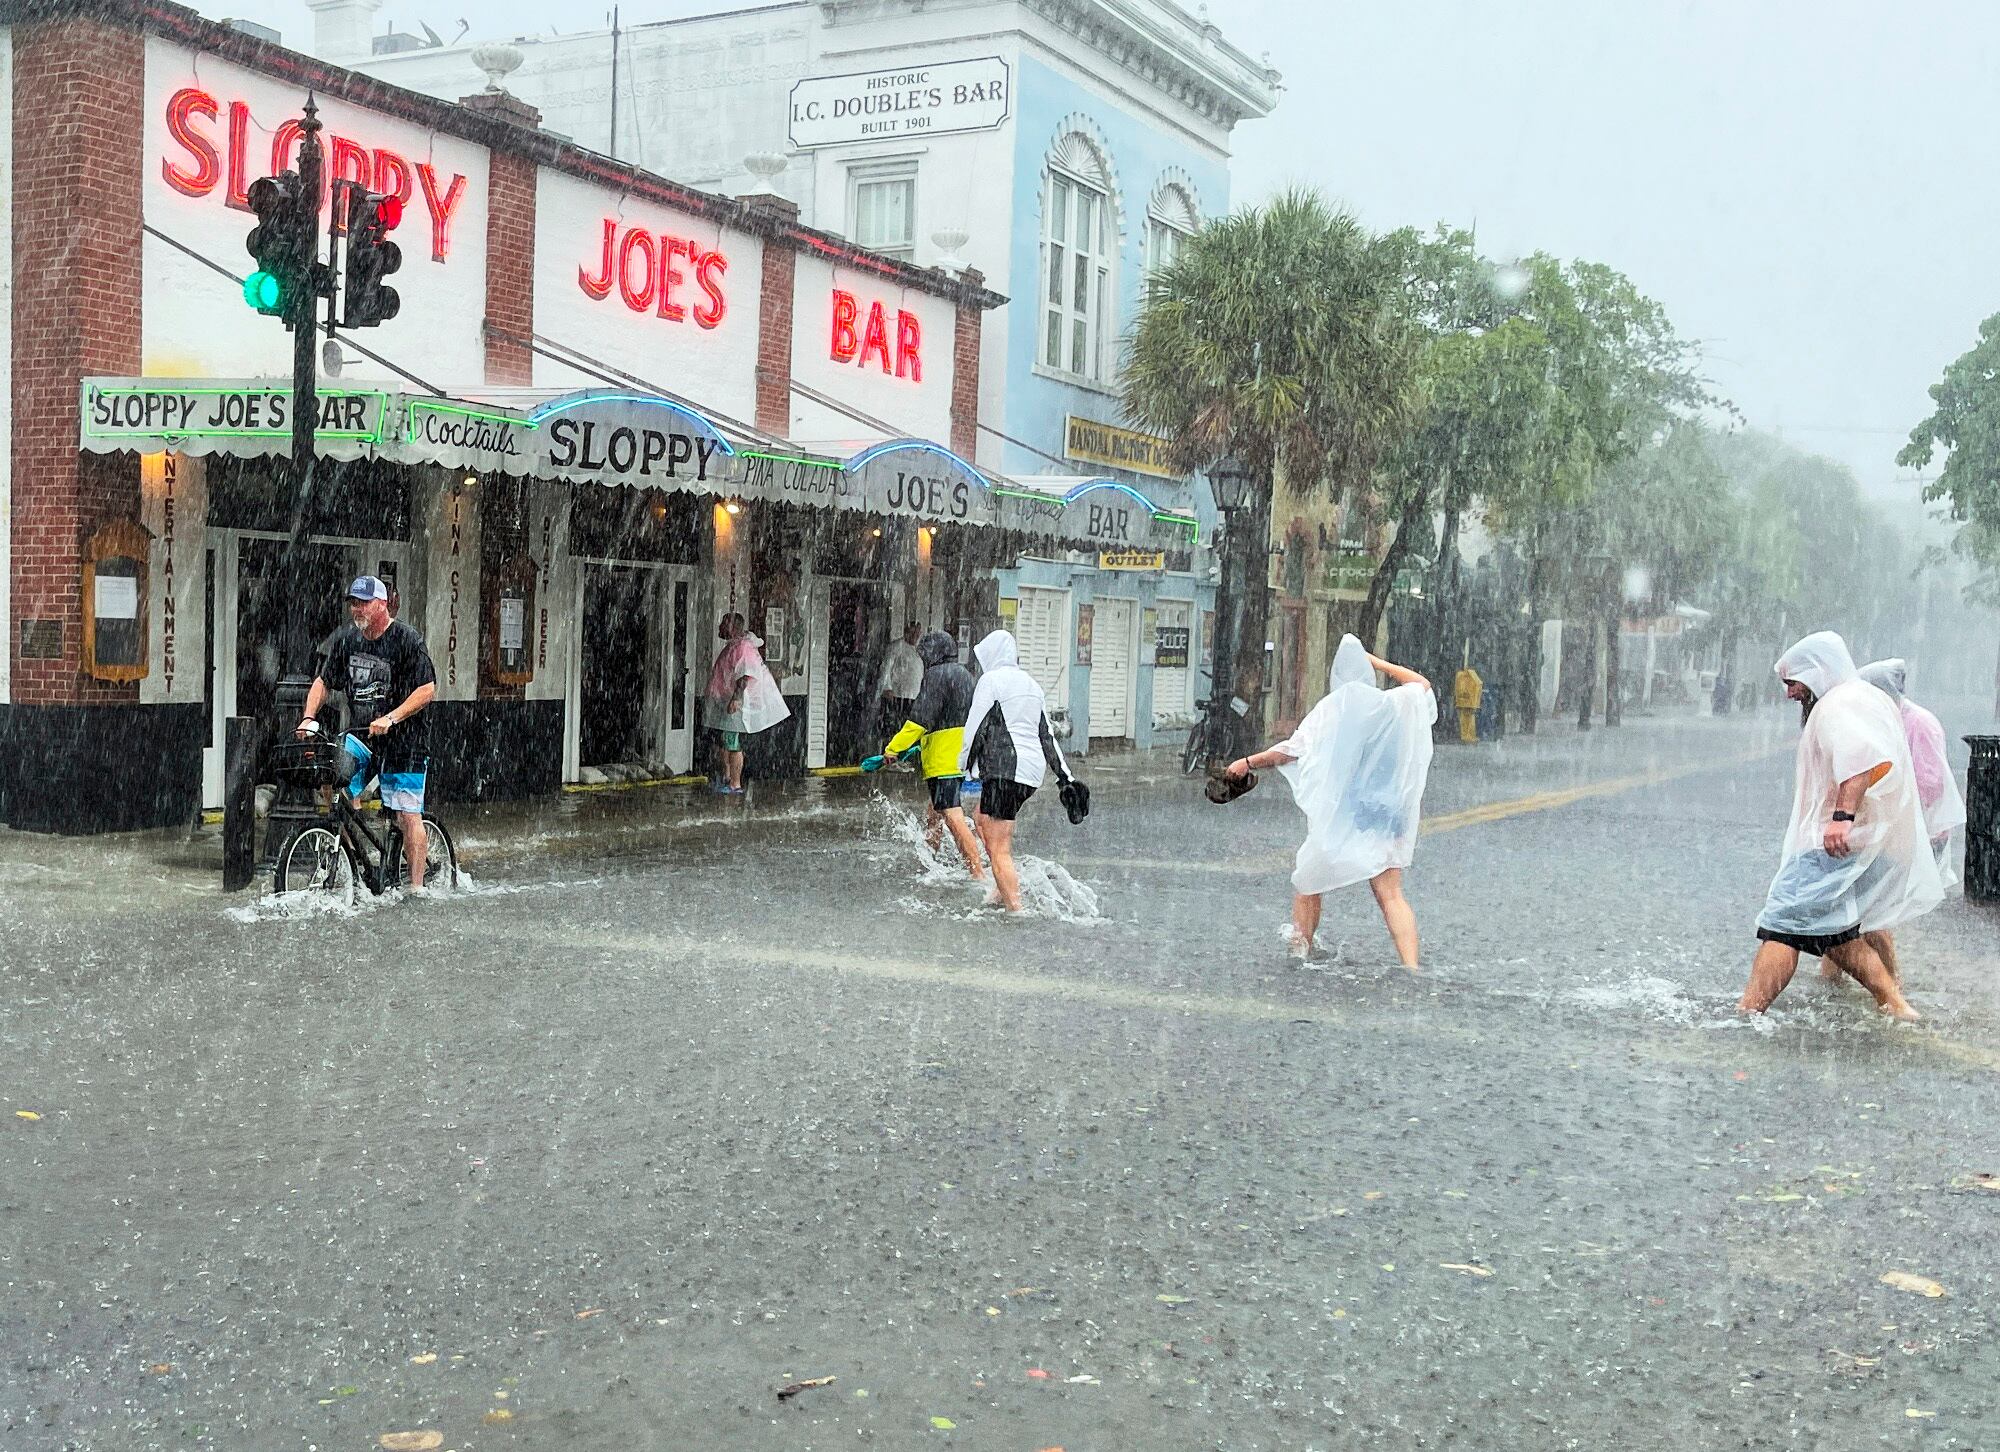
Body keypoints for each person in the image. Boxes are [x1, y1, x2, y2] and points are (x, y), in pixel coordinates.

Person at [1738, 632, 1942, 1021]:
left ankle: (1748, 1012)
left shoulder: (1838, 705)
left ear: (1816, 672)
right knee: (1835, 932)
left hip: (1833, 843)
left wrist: (1840, 820)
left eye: (1792, 682)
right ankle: (1895, 1005)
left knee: (1781, 923)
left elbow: (1861, 761)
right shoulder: (1859, 698)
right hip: (1864, 841)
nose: (1790, 693)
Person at [1225, 636, 1436, 966]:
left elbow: (1289, 750)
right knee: (1390, 894)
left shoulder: (1333, 710)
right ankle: (1411, 966)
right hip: (1386, 813)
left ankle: (1300, 950)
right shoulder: (1391, 706)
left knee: (1308, 880)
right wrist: (1377, 661)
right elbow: (1421, 684)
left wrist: (1247, 763)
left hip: (1347, 813)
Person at [297, 576, 438, 889]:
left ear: (383, 604)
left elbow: (427, 688)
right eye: (353, 602)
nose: (356, 608)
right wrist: (308, 716)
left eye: (363, 602)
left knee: (406, 814)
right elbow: (323, 682)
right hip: (364, 734)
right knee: (333, 779)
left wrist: (392, 717)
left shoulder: (405, 638)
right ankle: (354, 858)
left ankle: (415, 889)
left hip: (406, 739)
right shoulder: (348, 640)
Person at [1852, 658, 1967, 980]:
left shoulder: (1918, 723)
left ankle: (1891, 987)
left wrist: (1878, 797)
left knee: (1868, 912)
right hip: (1889, 832)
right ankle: (1840, 980)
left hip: (1914, 834)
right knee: (1853, 912)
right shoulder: (1889, 719)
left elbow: (1929, 783)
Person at [960, 629, 1072, 912]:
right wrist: (1065, 778)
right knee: (982, 818)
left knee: (999, 847)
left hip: (1004, 770)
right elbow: (1047, 735)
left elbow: (975, 729)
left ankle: (1015, 908)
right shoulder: (1032, 685)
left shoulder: (991, 681)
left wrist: (962, 767)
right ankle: (1002, 886)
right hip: (1029, 774)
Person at [880, 630, 984, 882]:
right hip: (961, 754)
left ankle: (978, 874)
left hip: (943, 758)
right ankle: (930, 857)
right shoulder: (964, 674)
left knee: (952, 815)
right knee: (934, 812)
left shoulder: (937, 676)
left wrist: (893, 748)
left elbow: (920, 719)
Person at [706, 613, 789, 794]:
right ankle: (727, 778)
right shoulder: (736, 646)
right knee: (726, 742)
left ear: (732, 627)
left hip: (735, 705)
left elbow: (745, 674)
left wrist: (737, 698)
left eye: (723, 623)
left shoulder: (742, 647)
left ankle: (734, 784)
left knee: (733, 744)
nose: (720, 626)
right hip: (726, 701)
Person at [880, 621, 924, 735]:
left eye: (917, 633)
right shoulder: (896, 646)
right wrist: (886, 687)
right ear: (907, 631)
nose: (915, 636)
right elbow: (886, 666)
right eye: (913, 632)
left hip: (913, 696)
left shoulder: (917, 650)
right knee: (896, 727)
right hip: (898, 696)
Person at [1453, 663, 1483, 744]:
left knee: (1466, 719)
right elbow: (1478, 685)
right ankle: (1468, 736)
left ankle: (1466, 736)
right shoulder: (1468, 676)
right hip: (1469, 701)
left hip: (1465, 701)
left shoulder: (1462, 676)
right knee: (1468, 718)